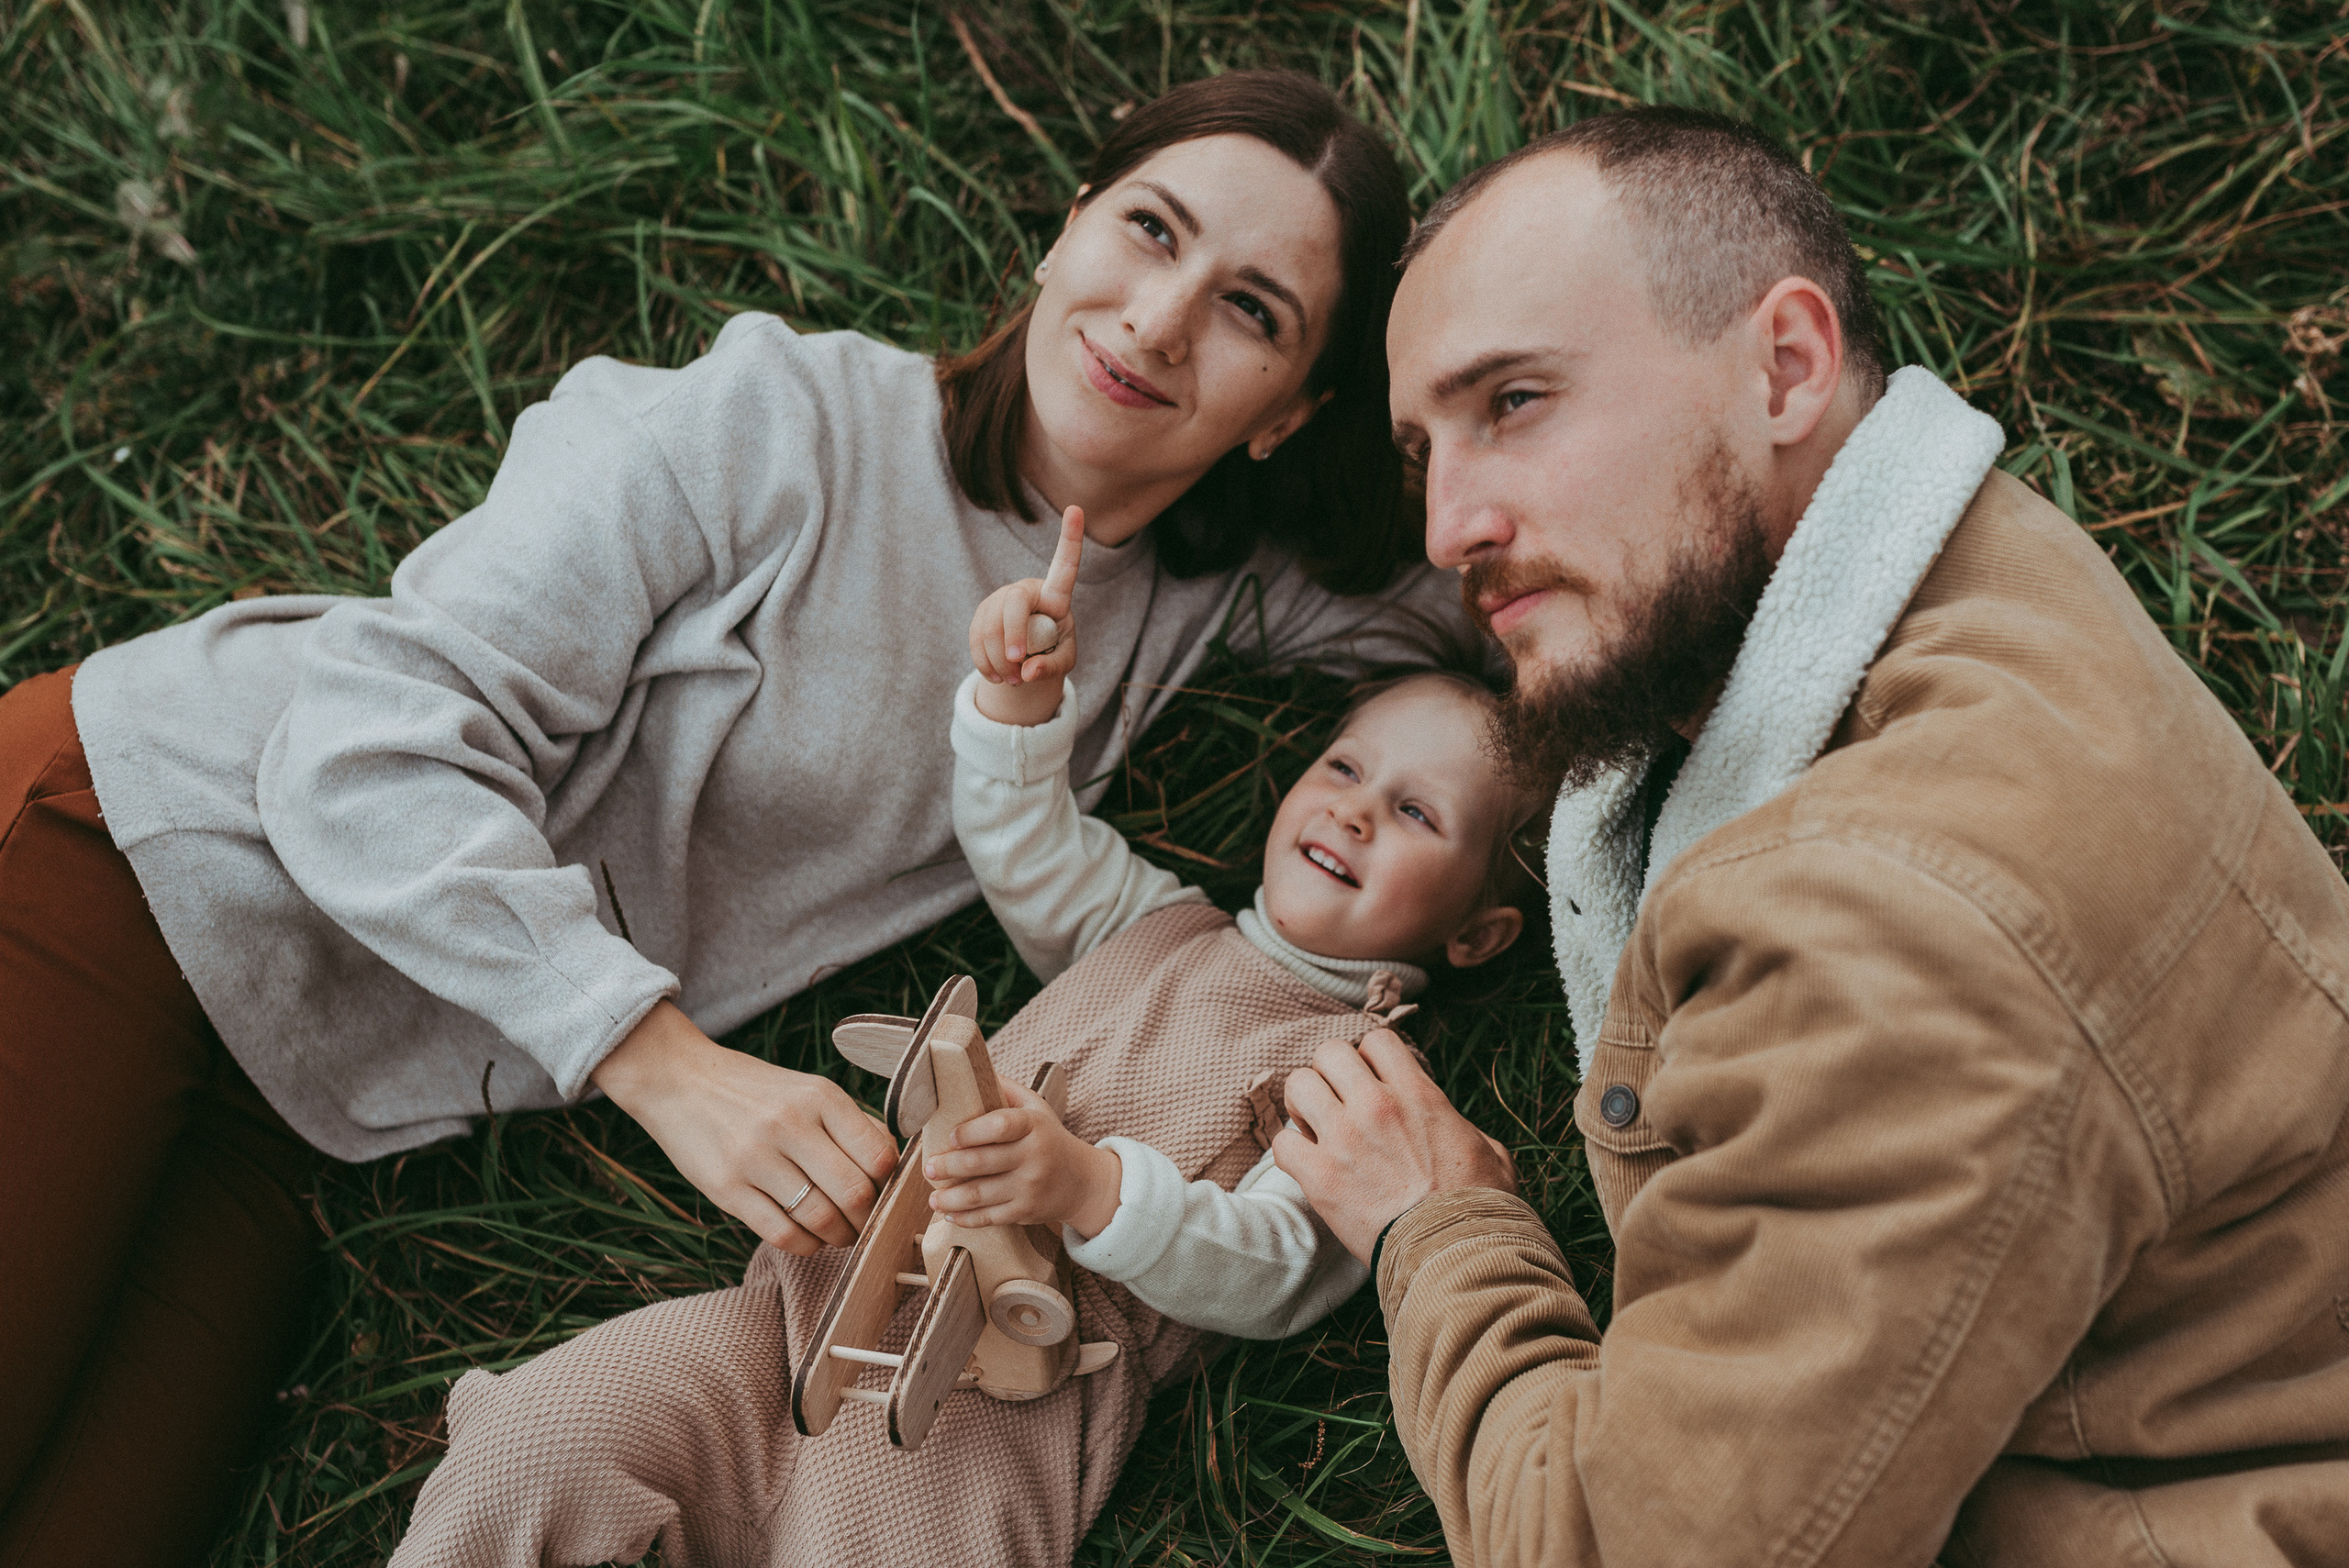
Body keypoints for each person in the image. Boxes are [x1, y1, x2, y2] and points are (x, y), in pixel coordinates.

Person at [0, 71, 1470, 1566]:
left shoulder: (1208, 603)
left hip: (312, 1102)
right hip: (138, 853)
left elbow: (1498, 581)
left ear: (1293, 410)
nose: (1160, 319)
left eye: (1251, 310)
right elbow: (355, 742)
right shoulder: (773, 420)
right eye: (1149, 230)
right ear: (1068, 226)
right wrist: (668, 1065)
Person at [1274, 106, 2349, 1567]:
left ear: (1786, 366)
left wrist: (1439, 1226)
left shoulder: (1892, 934)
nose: (1453, 522)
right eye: (1424, 454)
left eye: (1515, 401)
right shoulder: (1979, 562)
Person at [383, 512, 1545, 1567]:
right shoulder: (1151, 918)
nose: (1352, 806)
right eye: (1344, 767)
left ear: (1481, 934)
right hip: (794, 1318)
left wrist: (1092, 1187)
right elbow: (1027, 843)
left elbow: (1278, 1266)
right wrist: (1016, 707)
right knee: (540, 1441)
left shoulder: (1357, 1077)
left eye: (1414, 812)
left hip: (988, 1416)